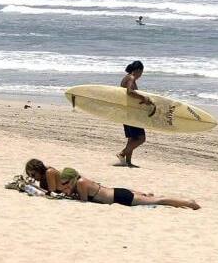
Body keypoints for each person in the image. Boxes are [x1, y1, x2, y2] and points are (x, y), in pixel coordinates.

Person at [60, 168, 200, 209]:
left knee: (159, 201)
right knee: (152, 199)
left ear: (72, 178)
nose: (65, 185)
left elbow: (84, 201)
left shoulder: (81, 183)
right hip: (116, 192)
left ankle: (188, 202)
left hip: (119, 197)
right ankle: (184, 202)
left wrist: (71, 195)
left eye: (66, 182)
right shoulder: (82, 181)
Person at [117, 60, 152, 167]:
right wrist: (143, 98)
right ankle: (122, 154)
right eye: (141, 72)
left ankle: (128, 162)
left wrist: (140, 101)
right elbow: (130, 92)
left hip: (127, 112)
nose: (141, 75)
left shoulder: (126, 77)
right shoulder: (131, 78)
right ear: (138, 70)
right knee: (141, 138)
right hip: (131, 114)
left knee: (132, 138)